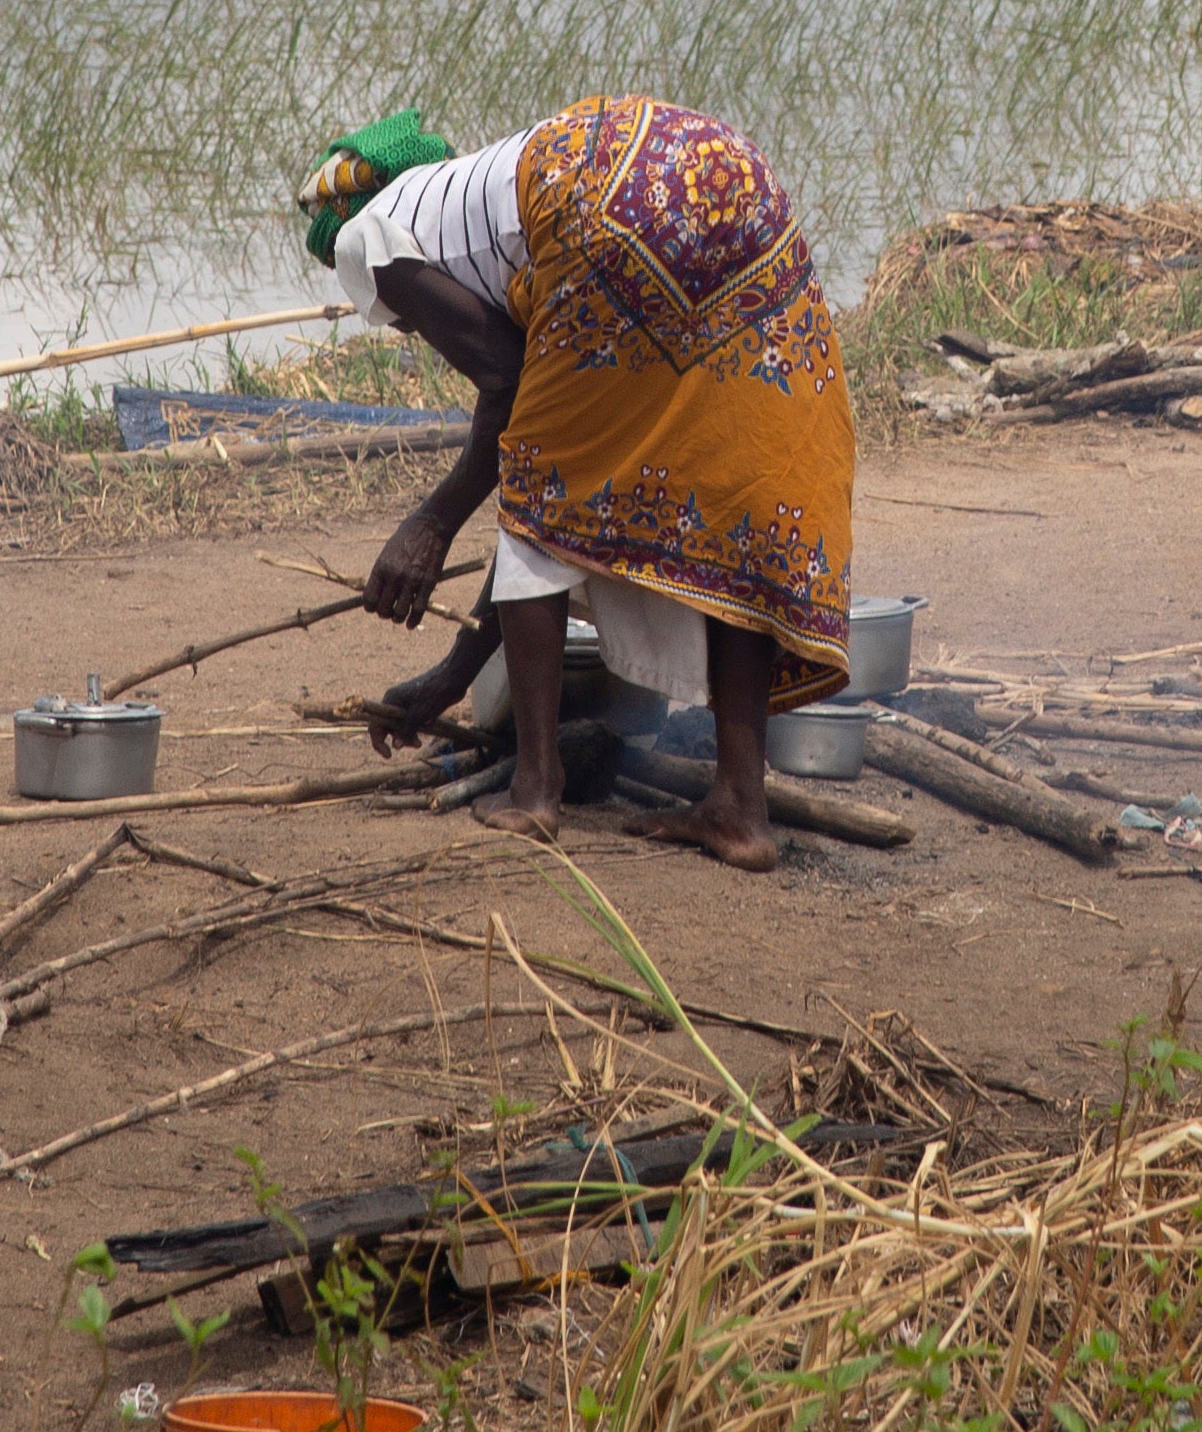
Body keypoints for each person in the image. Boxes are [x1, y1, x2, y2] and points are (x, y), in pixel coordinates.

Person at [309, 97, 855, 869]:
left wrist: (431, 524)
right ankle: (741, 808)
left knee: (536, 477)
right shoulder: (481, 197)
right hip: (727, 176)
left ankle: (536, 788)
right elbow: (550, 463)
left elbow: (507, 389)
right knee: (734, 483)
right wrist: (450, 678)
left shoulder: (370, 231)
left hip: (605, 199)